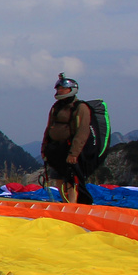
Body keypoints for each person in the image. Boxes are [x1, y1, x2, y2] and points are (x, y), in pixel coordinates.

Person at [42, 73, 93, 204]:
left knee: (71, 178)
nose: (59, 91)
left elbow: (82, 131)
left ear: (71, 90)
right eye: (58, 89)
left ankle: (72, 203)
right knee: (58, 177)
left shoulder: (80, 108)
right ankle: (65, 202)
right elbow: (49, 128)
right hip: (56, 148)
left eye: (62, 89)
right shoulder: (56, 107)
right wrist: (45, 148)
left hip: (70, 148)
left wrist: (74, 153)